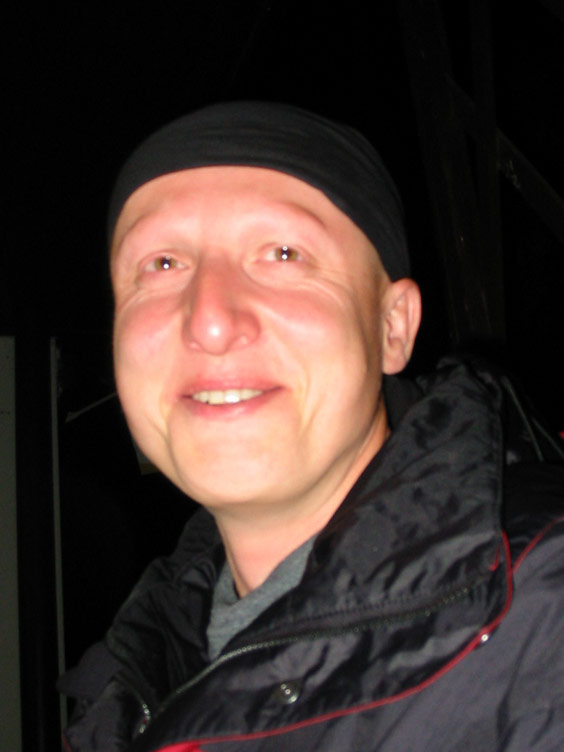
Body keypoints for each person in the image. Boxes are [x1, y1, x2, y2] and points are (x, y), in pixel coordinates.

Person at [59, 102, 564, 751]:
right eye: (161, 264)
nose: (209, 320)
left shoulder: (545, 610)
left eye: (283, 253)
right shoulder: (129, 694)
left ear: (392, 327)